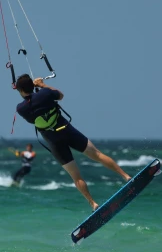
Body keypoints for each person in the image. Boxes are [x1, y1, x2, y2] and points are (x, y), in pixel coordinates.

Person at [14, 74, 131, 210]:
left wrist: (32, 92)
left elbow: (31, 108)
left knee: (76, 176)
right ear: (32, 85)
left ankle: (93, 203)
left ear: (21, 90)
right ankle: (126, 177)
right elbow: (60, 95)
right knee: (97, 155)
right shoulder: (45, 93)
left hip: (54, 141)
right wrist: (42, 85)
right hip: (67, 131)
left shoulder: (21, 109)